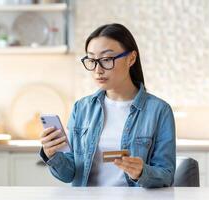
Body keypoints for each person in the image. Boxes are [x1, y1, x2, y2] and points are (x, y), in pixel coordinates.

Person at [39, 23, 176, 188]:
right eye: (91, 60)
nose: (98, 70)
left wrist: (142, 172)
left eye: (106, 59)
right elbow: (69, 174)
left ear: (131, 58)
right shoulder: (81, 108)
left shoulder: (159, 111)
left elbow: (166, 175)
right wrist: (52, 155)